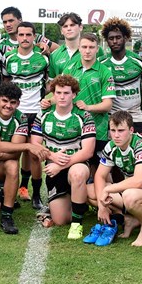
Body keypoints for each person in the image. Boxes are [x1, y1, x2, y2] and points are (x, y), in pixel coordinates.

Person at [0, 81, 50, 234]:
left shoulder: (21, 118)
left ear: (18, 103)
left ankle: (7, 215)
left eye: (13, 103)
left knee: (13, 164)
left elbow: (14, 153)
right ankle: (1, 195)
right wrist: (28, 146)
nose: (8, 106)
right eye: (5, 101)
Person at [87, 111, 142, 247]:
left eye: (121, 130)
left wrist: (108, 189)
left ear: (131, 130)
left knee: (129, 196)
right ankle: (130, 219)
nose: (116, 135)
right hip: (133, 191)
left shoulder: (141, 145)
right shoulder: (111, 146)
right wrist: (102, 204)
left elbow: (138, 181)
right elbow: (100, 176)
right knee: (89, 191)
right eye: (113, 130)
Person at [30, 75, 96, 238]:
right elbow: (35, 144)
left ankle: (77, 225)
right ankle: (80, 200)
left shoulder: (84, 116)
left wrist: (61, 164)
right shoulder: (44, 114)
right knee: (60, 220)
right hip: (54, 170)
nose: (62, 96)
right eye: (58, 93)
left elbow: (88, 151)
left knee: (78, 173)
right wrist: (52, 155)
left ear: (74, 94)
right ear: (53, 94)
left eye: (66, 93)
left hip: (76, 164)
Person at [1, 22, 49, 209]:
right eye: (21, 35)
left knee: (36, 154)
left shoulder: (44, 59)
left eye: (29, 35)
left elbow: (50, 82)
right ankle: (12, 190)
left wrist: (46, 100)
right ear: (17, 37)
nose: (25, 38)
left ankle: (36, 194)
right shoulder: (9, 58)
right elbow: (6, 84)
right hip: (17, 114)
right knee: (14, 152)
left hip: (36, 113)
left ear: (34, 36)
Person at [61, 32, 115, 164]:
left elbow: (108, 105)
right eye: (84, 47)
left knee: (98, 169)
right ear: (79, 47)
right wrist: (47, 101)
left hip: (98, 129)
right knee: (73, 165)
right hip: (73, 127)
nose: (87, 51)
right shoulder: (69, 69)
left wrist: (87, 107)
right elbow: (60, 95)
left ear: (97, 49)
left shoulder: (105, 71)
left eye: (91, 47)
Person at [100, 17, 142, 135]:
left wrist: (134, 94)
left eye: (118, 37)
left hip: (135, 116)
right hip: (111, 116)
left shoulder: (139, 61)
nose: (115, 41)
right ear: (107, 40)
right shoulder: (101, 63)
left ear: (126, 38)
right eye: (111, 38)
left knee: (136, 149)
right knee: (114, 151)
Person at [47, 12, 83, 78]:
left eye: (72, 25)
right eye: (65, 26)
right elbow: (51, 83)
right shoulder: (54, 55)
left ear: (80, 27)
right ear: (61, 31)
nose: (69, 29)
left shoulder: (94, 50)